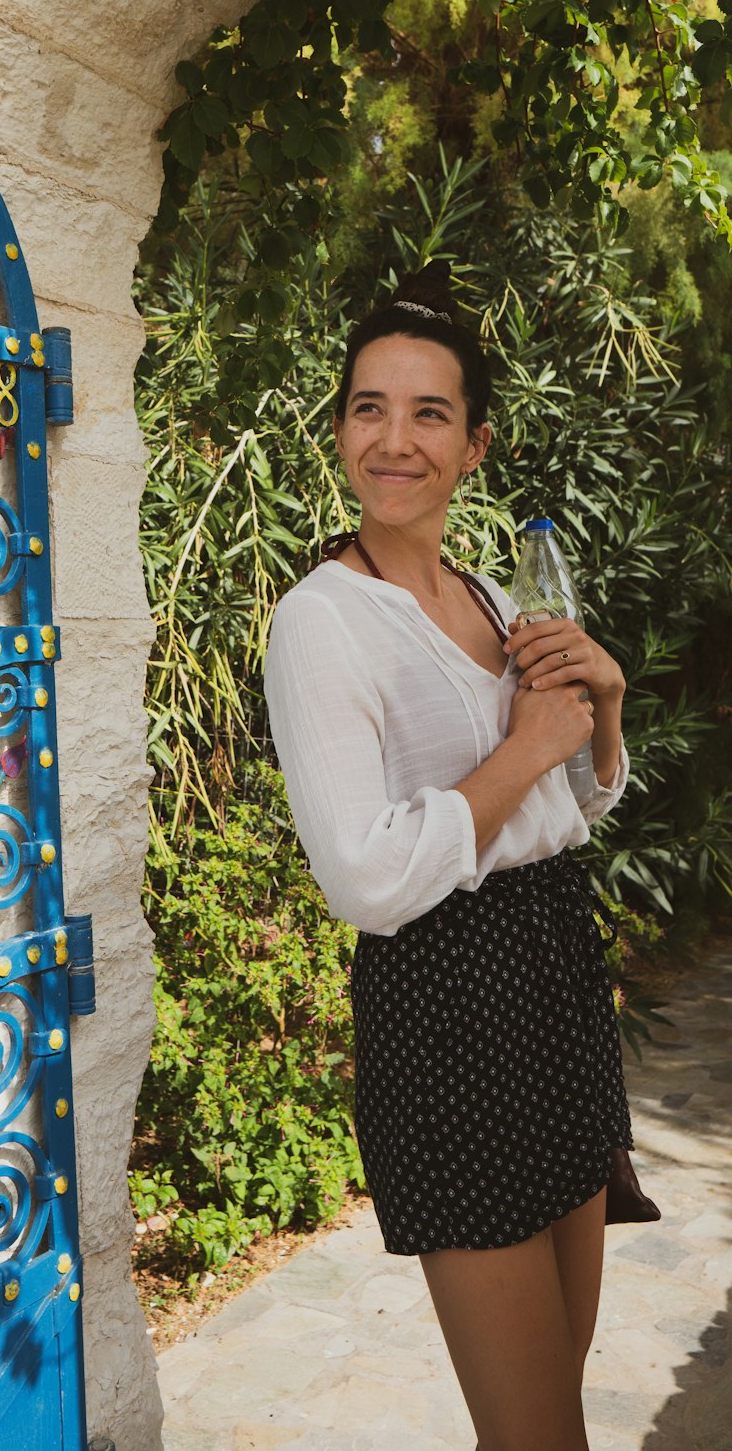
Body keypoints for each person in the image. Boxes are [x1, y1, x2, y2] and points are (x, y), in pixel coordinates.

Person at [263, 269, 637, 1451]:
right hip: (448, 1008)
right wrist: (526, 749)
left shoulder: (487, 595)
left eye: (429, 413)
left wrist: (604, 706)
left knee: (555, 1400)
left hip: (556, 980)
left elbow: (572, 800)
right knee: (534, 1434)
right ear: (339, 432)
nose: (394, 438)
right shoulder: (320, 618)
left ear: (474, 444)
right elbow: (364, 879)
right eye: (368, 407)